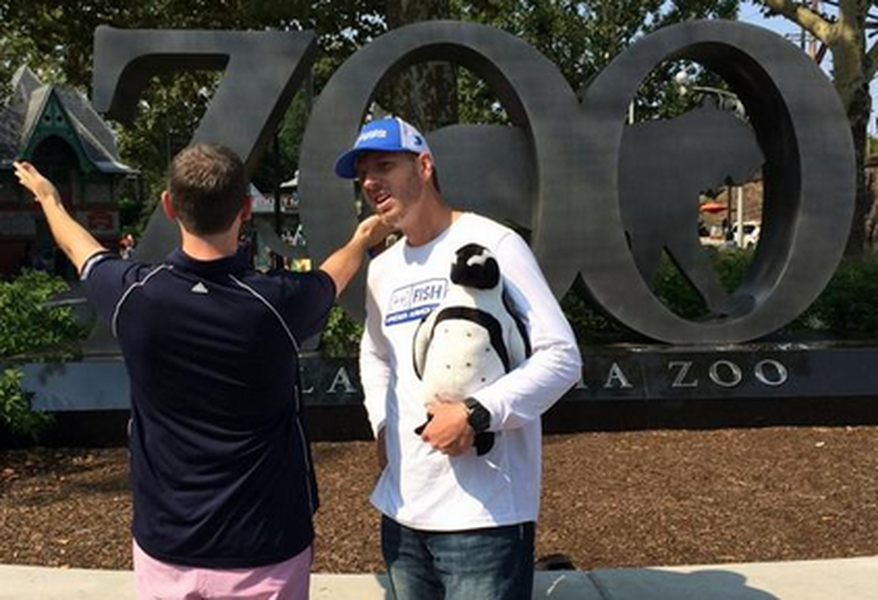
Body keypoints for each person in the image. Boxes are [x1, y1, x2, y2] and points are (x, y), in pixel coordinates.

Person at [14, 142, 390, 600]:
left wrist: (50, 199)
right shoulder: (277, 302)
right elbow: (333, 277)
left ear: (169, 206)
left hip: (167, 546)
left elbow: (79, 247)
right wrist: (362, 238)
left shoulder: (133, 296)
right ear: (245, 209)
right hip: (265, 546)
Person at [335, 117, 582, 600]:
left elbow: (562, 357)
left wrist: (475, 414)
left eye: (384, 165)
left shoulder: (495, 244)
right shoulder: (383, 269)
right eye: (363, 173)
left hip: (484, 519)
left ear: (424, 166)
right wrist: (381, 426)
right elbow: (376, 353)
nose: (369, 182)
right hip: (403, 514)